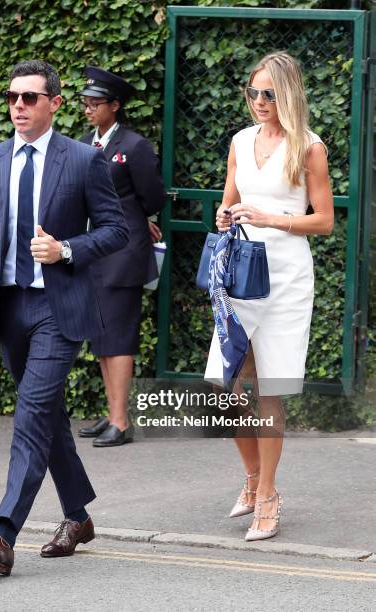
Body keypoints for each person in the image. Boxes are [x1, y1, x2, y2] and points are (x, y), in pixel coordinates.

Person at [0, 60, 128, 575]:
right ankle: (78, 515)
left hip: (58, 308)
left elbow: (116, 230)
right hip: (10, 307)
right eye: (12, 97)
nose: (18, 106)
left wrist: (66, 249)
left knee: (30, 413)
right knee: (46, 417)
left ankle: (4, 534)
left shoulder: (83, 160)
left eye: (29, 97)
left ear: (55, 104)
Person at [205, 52, 333, 541]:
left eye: (270, 94)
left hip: (285, 276)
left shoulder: (309, 147)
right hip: (238, 273)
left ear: (289, 94)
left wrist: (272, 218)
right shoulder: (240, 140)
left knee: (269, 389)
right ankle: (253, 476)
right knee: (227, 384)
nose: (259, 102)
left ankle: (268, 496)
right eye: (253, 92)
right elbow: (227, 199)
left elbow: (322, 221)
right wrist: (225, 215)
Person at [77, 66, 165, 447]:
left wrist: (136, 218)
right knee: (101, 336)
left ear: (115, 106)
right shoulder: (85, 142)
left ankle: (121, 421)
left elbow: (152, 197)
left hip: (123, 252)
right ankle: (112, 412)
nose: (89, 109)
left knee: (120, 336)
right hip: (93, 251)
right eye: (86, 103)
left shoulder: (134, 146)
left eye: (96, 104)